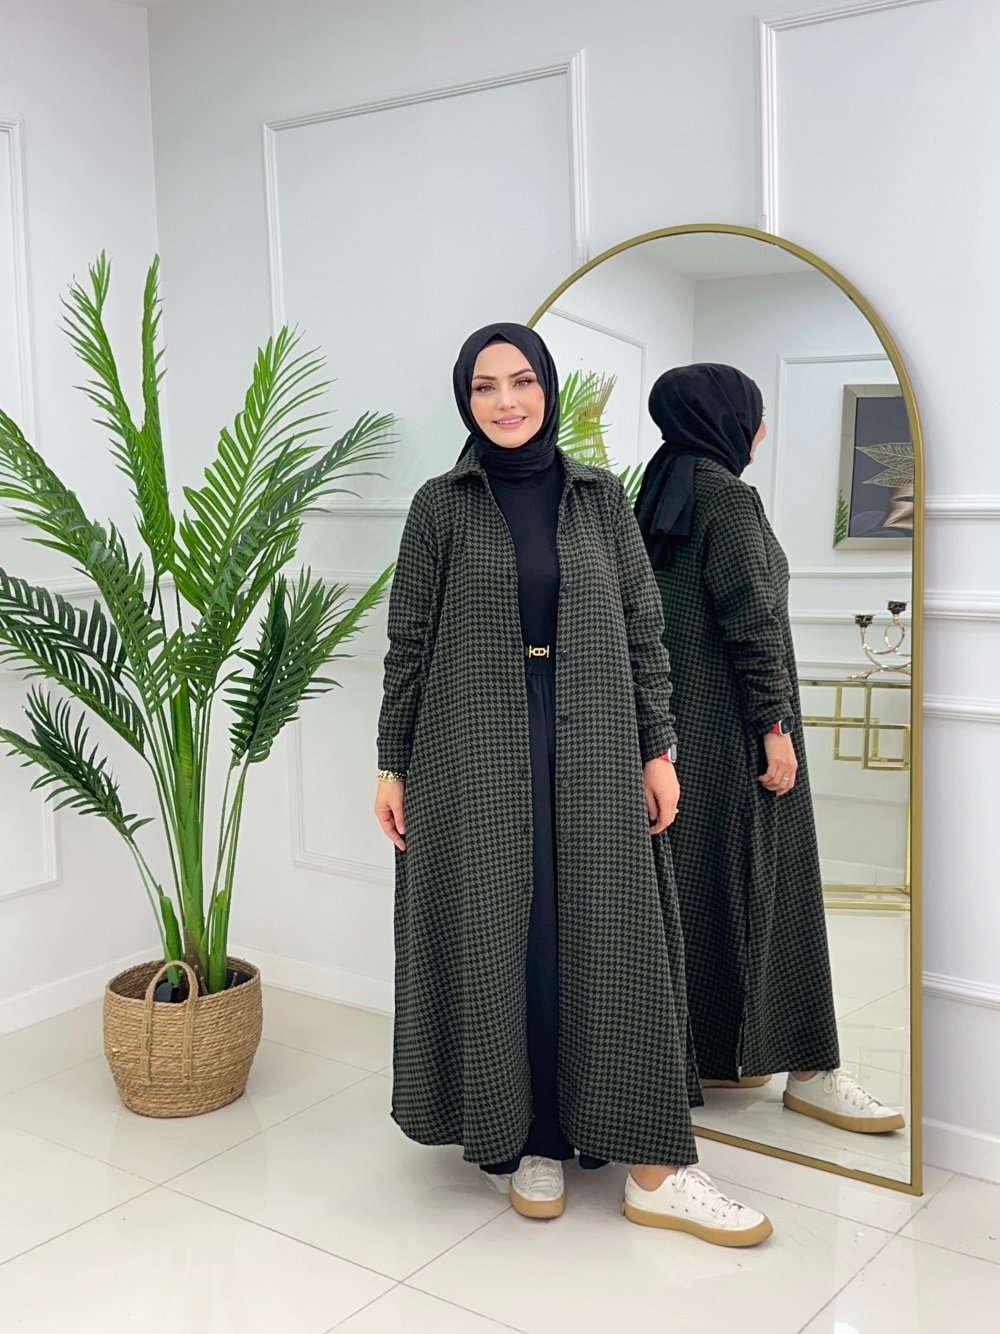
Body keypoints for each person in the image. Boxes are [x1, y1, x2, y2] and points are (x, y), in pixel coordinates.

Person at [374, 325, 772, 1246]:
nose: (505, 401)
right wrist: (392, 763)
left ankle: (652, 1164)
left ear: (546, 389)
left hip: (593, 737)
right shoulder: (439, 507)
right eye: (485, 387)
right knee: (509, 935)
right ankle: (530, 1140)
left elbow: (644, 630)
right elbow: (409, 645)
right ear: (465, 400)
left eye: (521, 381)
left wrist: (659, 749)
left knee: (611, 933)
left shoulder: (600, 499)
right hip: (471, 747)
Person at [634, 363, 904, 1134]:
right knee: (775, 892)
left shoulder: (651, 495)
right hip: (737, 732)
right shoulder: (726, 497)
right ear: (728, 420)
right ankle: (811, 1070)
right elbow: (752, 621)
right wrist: (775, 728)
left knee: (697, 890)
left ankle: (713, 1053)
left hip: (670, 738)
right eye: (755, 415)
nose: (761, 430)